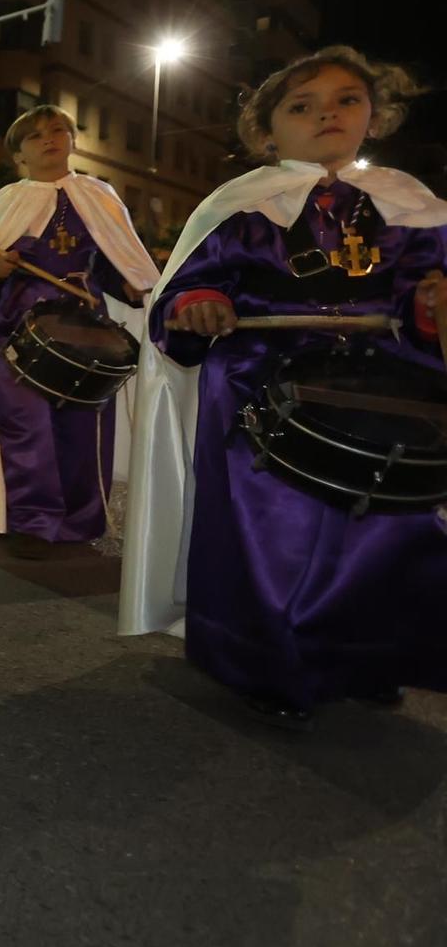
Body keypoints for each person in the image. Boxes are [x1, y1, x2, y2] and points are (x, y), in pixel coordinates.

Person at [119, 46, 447, 728]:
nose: (327, 112)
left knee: (386, 527)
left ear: (375, 116)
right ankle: (267, 663)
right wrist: (200, 302)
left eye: (345, 100)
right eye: (302, 105)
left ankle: (370, 658)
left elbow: (424, 294)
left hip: (382, 380)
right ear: (267, 131)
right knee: (277, 533)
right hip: (258, 378)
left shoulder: (410, 205)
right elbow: (184, 291)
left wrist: (432, 301)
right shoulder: (240, 207)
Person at [0, 105, 158, 556]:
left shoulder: (101, 196)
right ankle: (32, 520)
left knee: (82, 424)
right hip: (17, 327)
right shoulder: (6, 202)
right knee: (26, 424)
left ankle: (81, 518)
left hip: (87, 326)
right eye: (34, 136)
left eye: (57, 130)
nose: (48, 139)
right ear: (19, 155)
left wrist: (132, 288)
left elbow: (114, 263)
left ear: (72, 140)